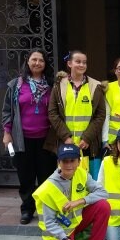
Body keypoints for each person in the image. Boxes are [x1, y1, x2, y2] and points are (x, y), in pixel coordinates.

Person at [33, 143, 115, 240]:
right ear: (59, 162)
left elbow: (103, 193)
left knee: (103, 205)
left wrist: (80, 201)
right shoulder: (48, 188)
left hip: (74, 223)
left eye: (72, 160)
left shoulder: (81, 174)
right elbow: (49, 223)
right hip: (56, 232)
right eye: (65, 161)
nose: (69, 165)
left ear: (78, 162)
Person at [2, 49, 58, 225]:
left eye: (41, 60)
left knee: (45, 175)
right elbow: (7, 111)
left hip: (45, 139)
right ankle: (27, 209)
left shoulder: (52, 85)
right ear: (27, 62)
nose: (37, 63)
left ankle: (45, 209)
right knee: (25, 176)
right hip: (22, 138)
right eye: (34, 59)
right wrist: (7, 132)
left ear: (45, 64)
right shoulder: (16, 85)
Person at [48, 50, 106, 180]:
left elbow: (100, 115)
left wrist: (87, 138)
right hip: (65, 143)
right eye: (78, 62)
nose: (82, 65)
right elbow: (53, 113)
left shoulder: (96, 86)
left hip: (88, 145)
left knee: (88, 180)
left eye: (84, 62)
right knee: (65, 179)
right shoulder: (59, 85)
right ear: (69, 63)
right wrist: (66, 137)